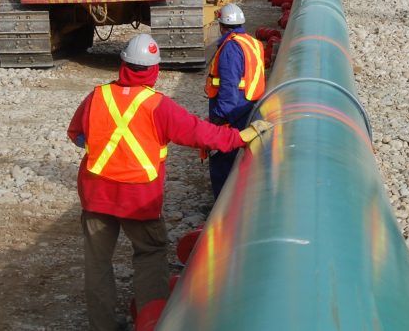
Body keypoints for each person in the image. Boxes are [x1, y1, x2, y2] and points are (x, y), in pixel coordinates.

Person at [67, 34, 272, 331]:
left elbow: (76, 134)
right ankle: (152, 322)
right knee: (149, 253)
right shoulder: (157, 106)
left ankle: (104, 325)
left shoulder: (97, 96)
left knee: (98, 263)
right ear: (154, 70)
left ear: (123, 64)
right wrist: (239, 137)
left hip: (96, 194)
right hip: (139, 199)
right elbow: (200, 133)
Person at [205, 3, 266, 199]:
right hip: (249, 107)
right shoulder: (252, 42)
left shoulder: (230, 47)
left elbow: (229, 87)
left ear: (222, 25)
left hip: (232, 113)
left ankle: (221, 208)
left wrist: (217, 119)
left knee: (222, 161)